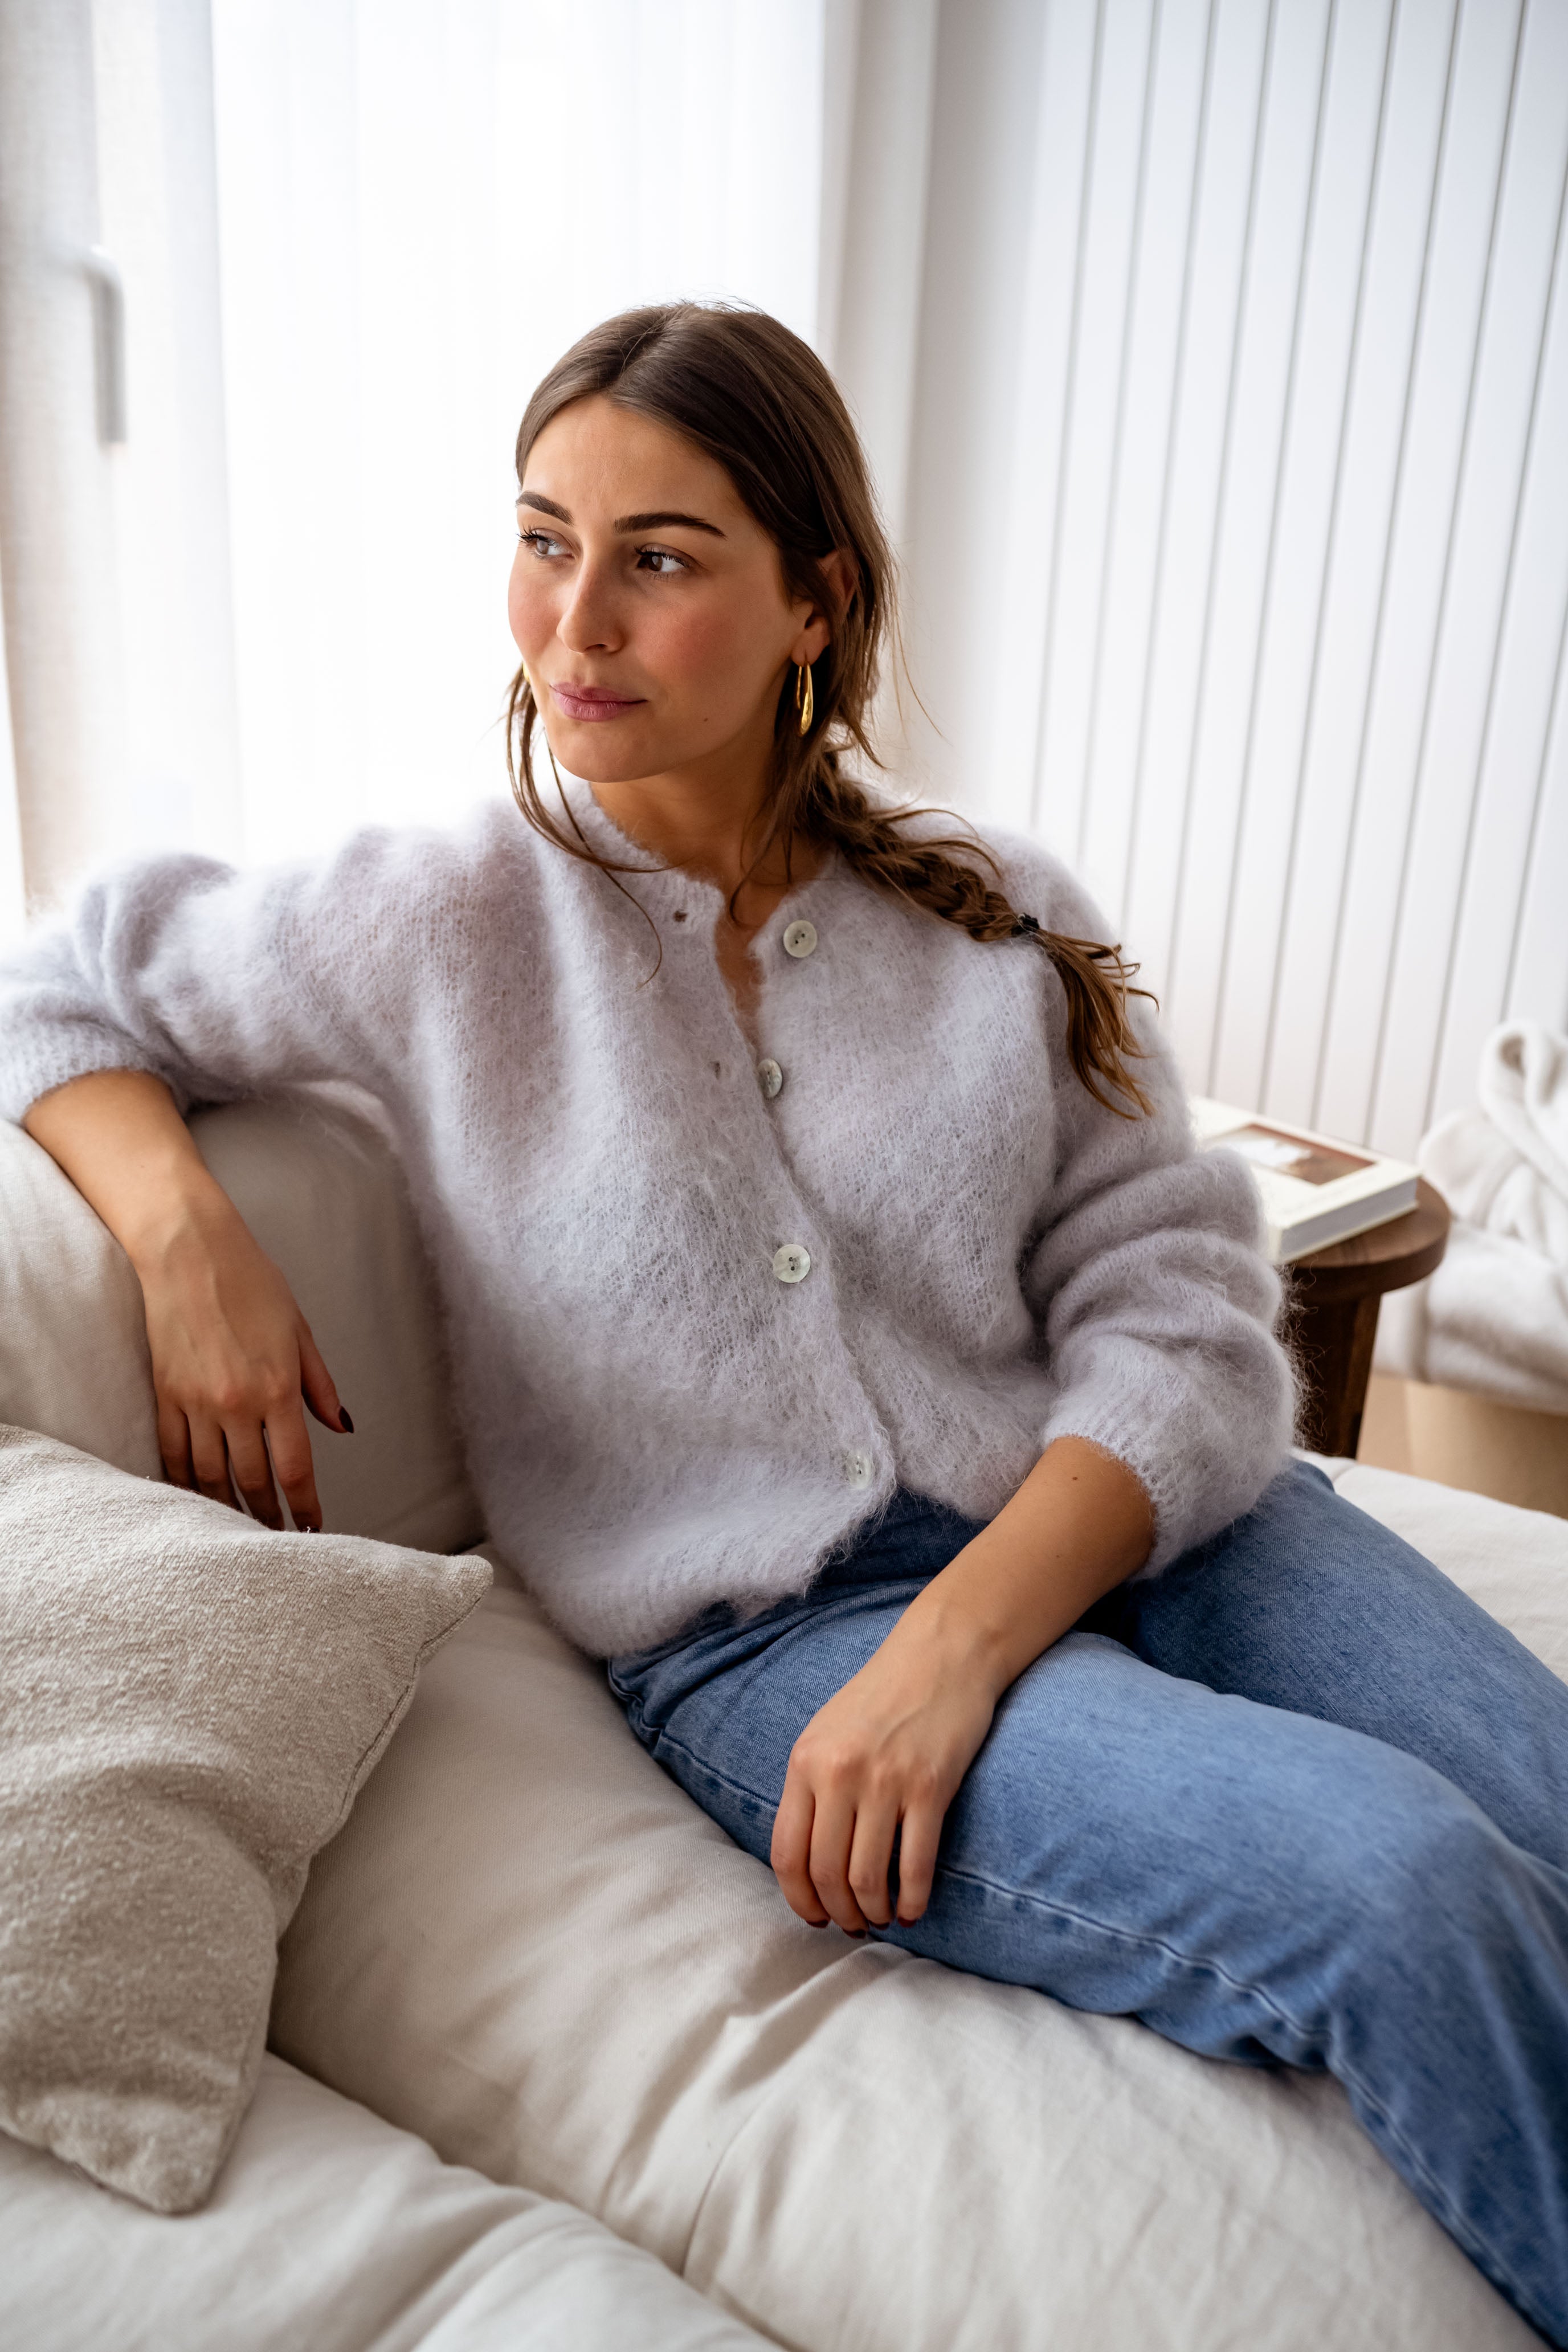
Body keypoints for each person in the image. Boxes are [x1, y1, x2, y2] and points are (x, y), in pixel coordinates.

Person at [3, 302, 1565, 2345]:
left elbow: (1180, 1308)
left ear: (813, 602)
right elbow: (60, 987)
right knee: (1409, 1890)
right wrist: (183, 1230)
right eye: (544, 539)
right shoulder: (437, 915)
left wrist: (966, 1640)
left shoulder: (999, 908)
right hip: (774, 1639)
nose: (575, 622)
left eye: (658, 558)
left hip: (1147, 1520)